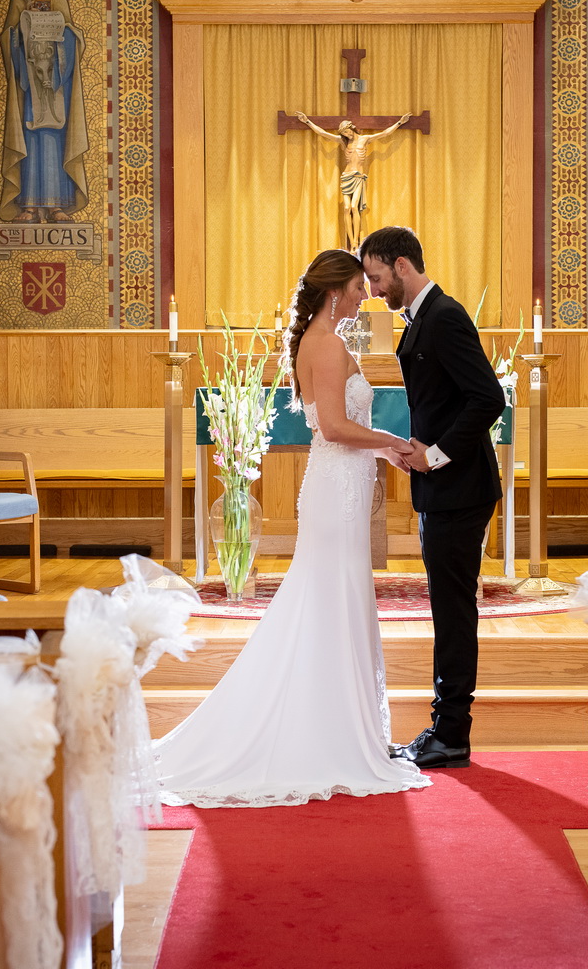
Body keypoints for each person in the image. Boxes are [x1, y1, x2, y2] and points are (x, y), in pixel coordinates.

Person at [153, 249, 429, 807]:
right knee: (329, 598)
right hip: (336, 487)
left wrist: (383, 454)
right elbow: (333, 427)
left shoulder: (321, 342)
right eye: (357, 288)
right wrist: (395, 445)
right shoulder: (325, 345)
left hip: (341, 485)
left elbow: (339, 427)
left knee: (334, 600)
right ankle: (327, 735)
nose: (364, 296)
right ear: (334, 292)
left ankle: (332, 723)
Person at [360, 226, 506, 770]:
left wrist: (436, 455)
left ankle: (451, 735)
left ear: (402, 266)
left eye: (376, 277)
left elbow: (488, 398)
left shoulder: (444, 316)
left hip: (459, 489)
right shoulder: (422, 318)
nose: (373, 290)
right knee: (446, 611)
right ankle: (444, 729)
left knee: (452, 612)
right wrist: (414, 451)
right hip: (442, 488)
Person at [0, 0, 89, 224]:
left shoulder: (59, 1)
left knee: (54, 140)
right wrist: (25, 25)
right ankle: (28, 206)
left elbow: (74, 38)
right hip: (29, 87)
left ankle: (55, 207)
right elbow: (8, 38)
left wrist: (61, 30)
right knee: (31, 139)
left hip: (56, 85)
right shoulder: (19, 0)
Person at [293, 112, 412, 251]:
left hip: (358, 177)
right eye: (344, 133)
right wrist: (306, 121)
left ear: (351, 128)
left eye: (347, 132)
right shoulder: (344, 142)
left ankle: (355, 242)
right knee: (346, 208)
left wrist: (400, 122)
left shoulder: (364, 139)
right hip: (346, 176)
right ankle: (350, 241)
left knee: (355, 207)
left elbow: (384, 134)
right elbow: (323, 133)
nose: (347, 135)